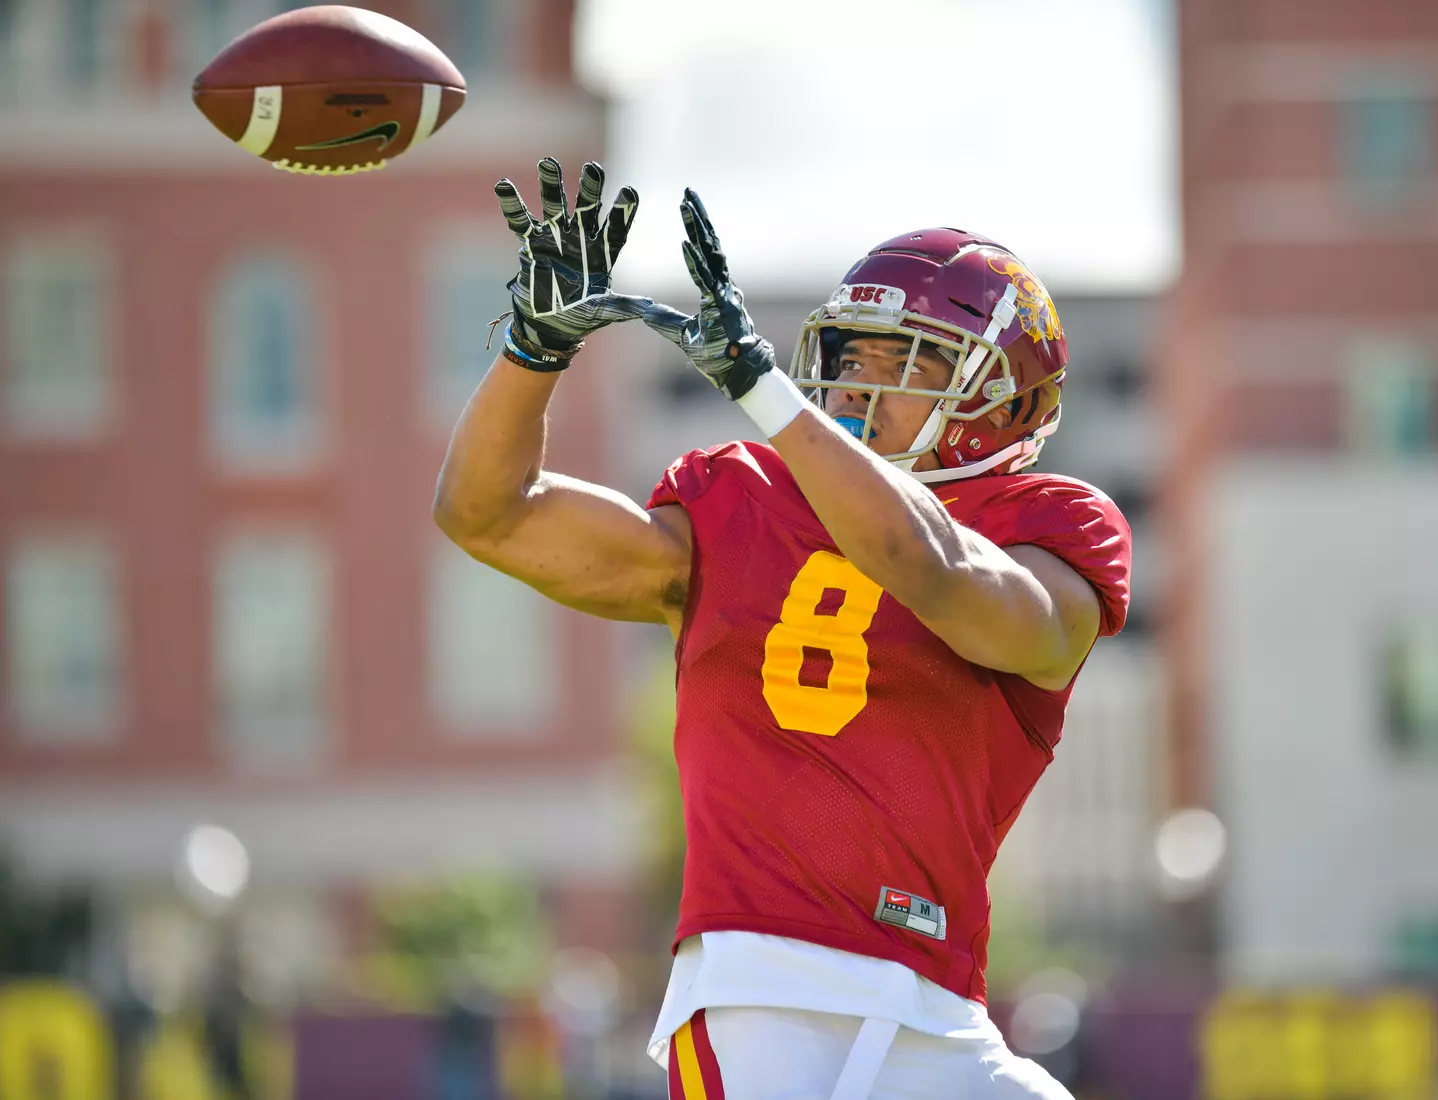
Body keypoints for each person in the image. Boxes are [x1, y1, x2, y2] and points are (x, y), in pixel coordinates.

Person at [433, 157, 1132, 1100]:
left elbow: (938, 572)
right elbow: (488, 514)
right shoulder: (742, 498)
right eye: (849, 358)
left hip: (940, 1012)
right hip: (760, 996)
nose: (856, 389)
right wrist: (532, 352)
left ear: (1004, 403)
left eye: (907, 362)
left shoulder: (1051, 525)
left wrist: (768, 392)